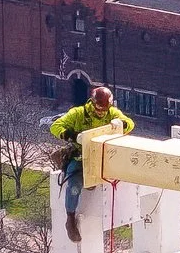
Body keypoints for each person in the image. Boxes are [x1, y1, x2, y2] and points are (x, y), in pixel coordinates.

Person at [49, 86, 132, 239]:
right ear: (92, 103)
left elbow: (130, 123)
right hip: (81, 158)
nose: (101, 113)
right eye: (99, 109)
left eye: (105, 109)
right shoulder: (78, 114)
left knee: (121, 181)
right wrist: (73, 136)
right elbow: (55, 127)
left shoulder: (112, 113)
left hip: (104, 158)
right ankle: (70, 218)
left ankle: (122, 213)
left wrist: (121, 124)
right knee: (74, 186)